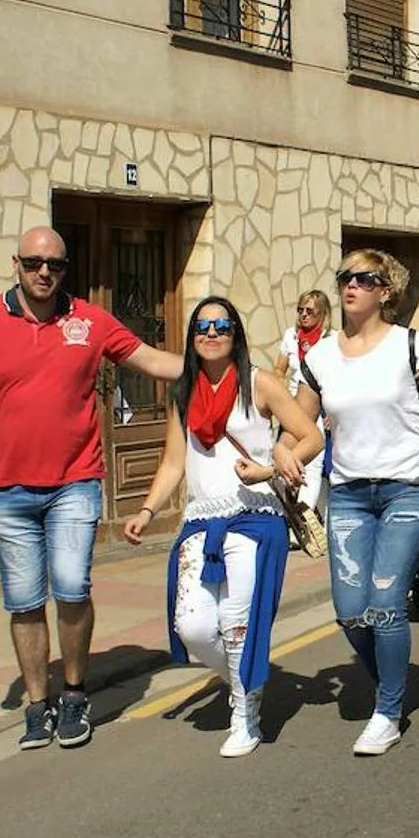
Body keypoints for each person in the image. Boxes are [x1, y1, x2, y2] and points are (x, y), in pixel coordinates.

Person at [0, 226, 183, 751]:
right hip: (7, 492)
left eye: (55, 265)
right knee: (24, 602)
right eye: (33, 263)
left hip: (75, 482)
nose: (44, 272)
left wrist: (218, 362)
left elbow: (152, 361)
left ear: (66, 269)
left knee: (71, 588)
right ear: (15, 265)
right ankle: (36, 706)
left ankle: (73, 695)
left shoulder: (89, 321)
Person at [124, 298, 321, 757]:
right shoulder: (183, 392)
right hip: (200, 521)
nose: (211, 334)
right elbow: (174, 462)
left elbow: (310, 436)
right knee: (192, 626)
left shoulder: (260, 383)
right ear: (192, 336)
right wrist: (148, 510)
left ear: (235, 334)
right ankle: (247, 676)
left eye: (222, 326)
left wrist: (273, 468)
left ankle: (244, 712)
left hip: (255, 516)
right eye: (202, 326)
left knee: (237, 621)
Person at [294, 250, 419, 756]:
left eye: (364, 278)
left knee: (383, 604)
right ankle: (391, 684)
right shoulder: (320, 357)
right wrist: (283, 456)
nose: (350, 285)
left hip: (406, 488)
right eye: (344, 277)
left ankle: (388, 709)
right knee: (350, 611)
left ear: (386, 291)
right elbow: (299, 424)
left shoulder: (410, 346)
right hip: (351, 495)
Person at [277, 290, 335, 513]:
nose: (304, 315)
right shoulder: (291, 335)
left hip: (321, 406)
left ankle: (304, 516)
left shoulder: (331, 339)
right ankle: (290, 511)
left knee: (315, 462)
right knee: (287, 456)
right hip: (294, 406)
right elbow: (278, 370)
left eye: (309, 310)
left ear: (323, 313)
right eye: (300, 310)